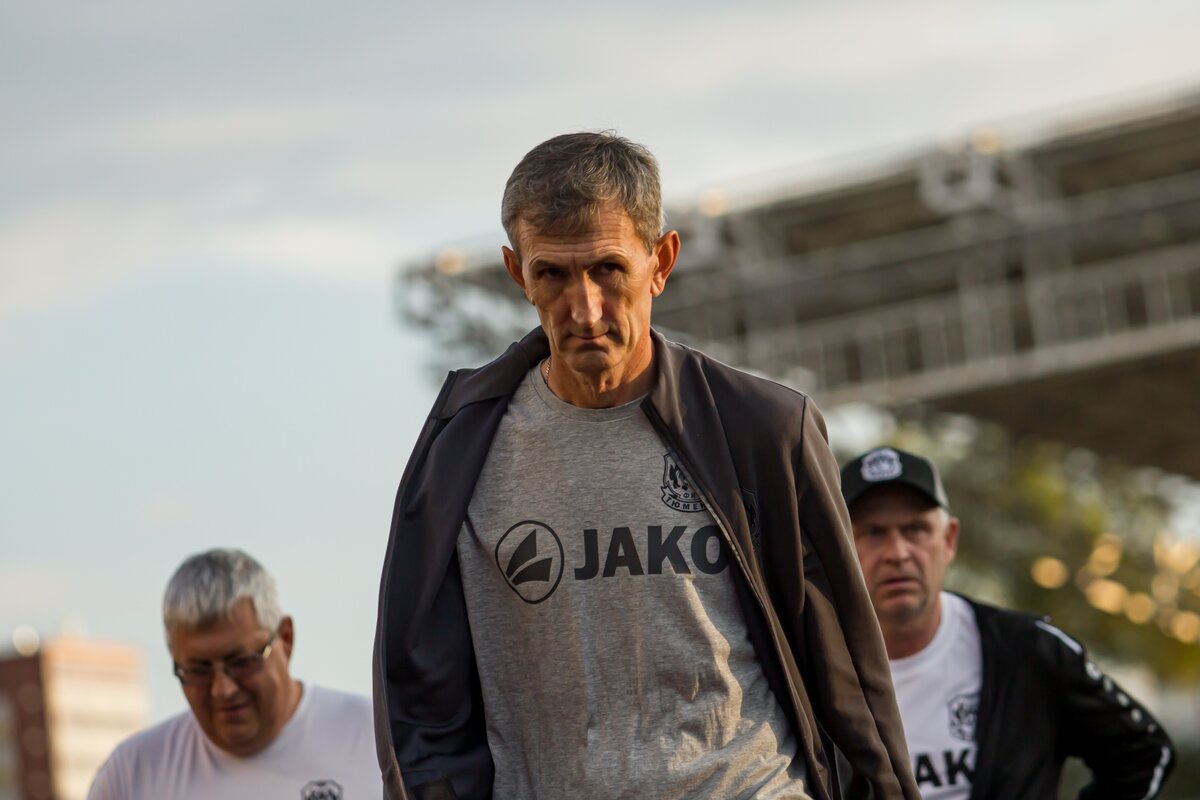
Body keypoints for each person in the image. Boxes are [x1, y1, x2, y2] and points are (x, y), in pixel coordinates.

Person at [373, 132, 920, 800]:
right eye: (553, 274)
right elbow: (420, 688)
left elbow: (848, 678)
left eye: (608, 269)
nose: (584, 309)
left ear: (660, 262)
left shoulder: (763, 429)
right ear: (518, 275)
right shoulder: (460, 445)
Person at [841, 446, 1176, 799]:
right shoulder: (811, 668)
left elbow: (1144, 752)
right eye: (873, 533)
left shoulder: (1025, 649)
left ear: (949, 540)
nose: (897, 553)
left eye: (915, 529)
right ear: (840, 547)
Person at [89, 548, 382, 800]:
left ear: (286, 638)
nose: (222, 689)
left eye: (241, 661)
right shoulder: (131, 774)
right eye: (198, 670)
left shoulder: (378, 740)